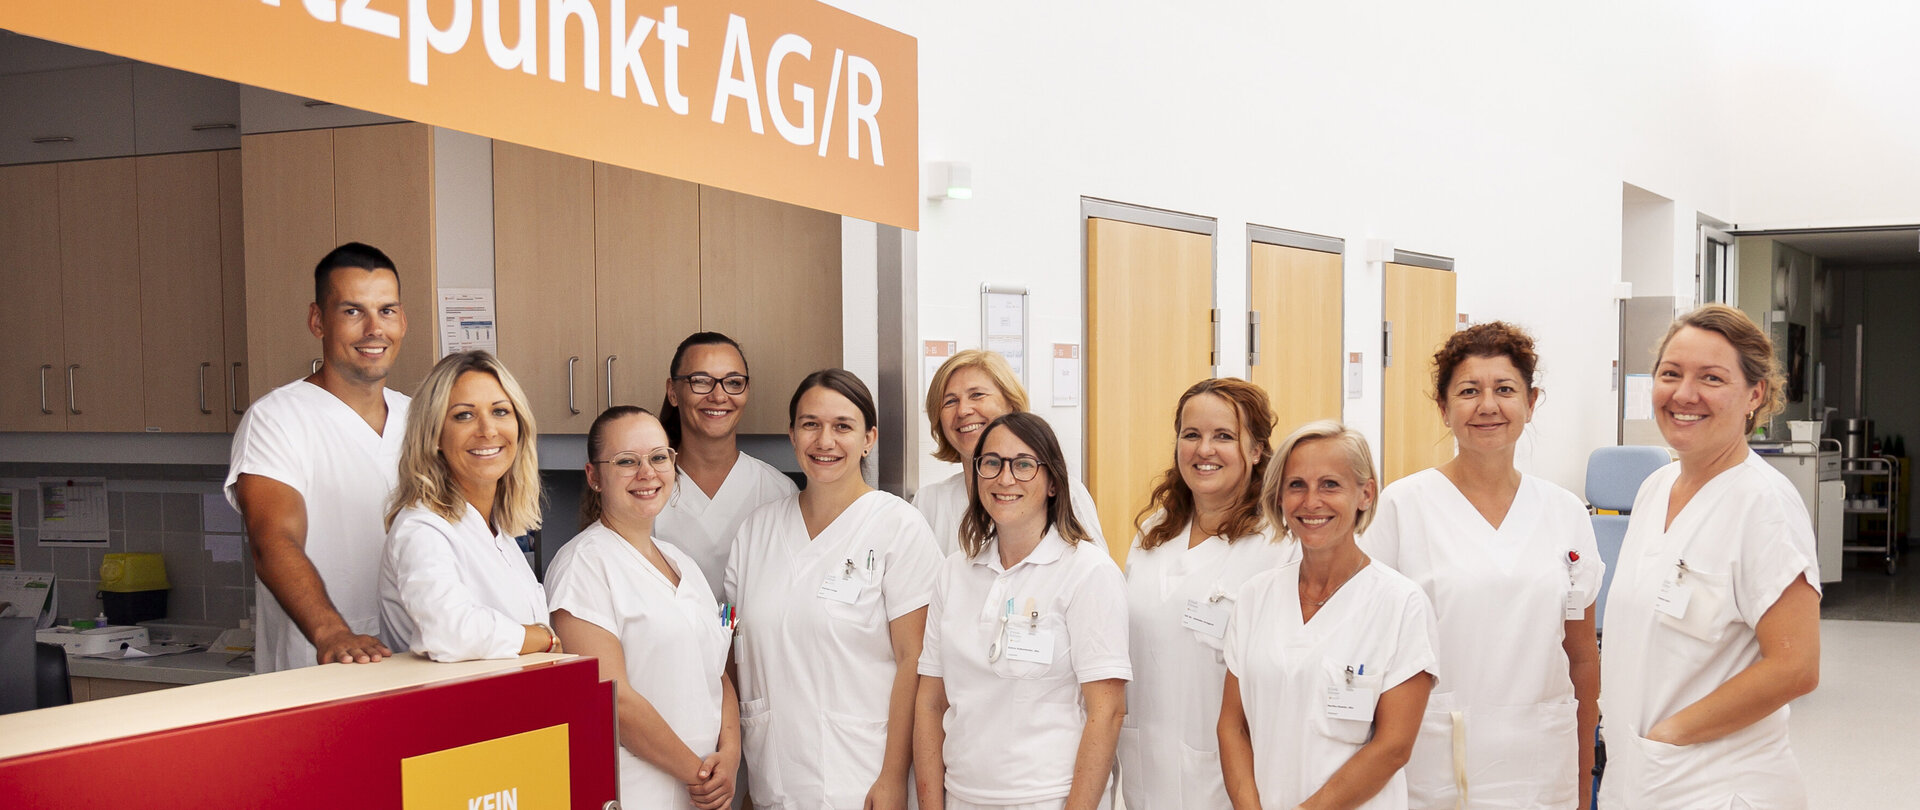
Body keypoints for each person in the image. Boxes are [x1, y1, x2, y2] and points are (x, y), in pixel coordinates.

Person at [1360, 322, 1602, 810]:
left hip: (1541, 762)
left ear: (1532, 403)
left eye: (1505, 390)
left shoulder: (1565, 511)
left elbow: (1581, 656)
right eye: (1469, 391)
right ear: (1443, 408)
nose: (1488, 406)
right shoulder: (1404, 506)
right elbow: (1370, 648)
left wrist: (1582, 781)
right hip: (1435, 758)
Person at [1597, 304, 1821, 808]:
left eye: (1712, 378)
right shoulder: (1656, 487)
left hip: (1716, 782)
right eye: (1670, 374)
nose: (1684, 394)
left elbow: (1796, 666)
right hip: (1641, 776)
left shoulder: (1763, 504)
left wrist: (1671, 734)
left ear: (1755, 394)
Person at [725, 369, 943, 810]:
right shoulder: (756, 531)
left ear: (869, 438)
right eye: (811, 424)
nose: (825, 441)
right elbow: (727, 648)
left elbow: (914, 662)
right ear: (792, 434)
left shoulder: (897, 526)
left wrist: (893, 778)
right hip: (775, 779)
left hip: (862, 782)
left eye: (843, 426)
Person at [914, 411, 1131, 810]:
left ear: (1053, 482)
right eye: (991, 463)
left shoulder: (1088, 572)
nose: (1005, 478)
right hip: (962, 795)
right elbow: (931, 702)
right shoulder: (954, 572)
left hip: (1049, 798)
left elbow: (1109, 711)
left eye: (1024, 464)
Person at [1220, 420, 1439, 810]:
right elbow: (1233, 726)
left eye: (1330, 484)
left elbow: (1393, 748)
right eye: (1296, 485)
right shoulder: (1256, 596)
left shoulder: (1400, 603)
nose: (1311, 502)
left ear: (1366, 494)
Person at [225, 242, 409, 672]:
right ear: (317, 320)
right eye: (352, 311)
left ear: (402, 319)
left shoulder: (419, 418)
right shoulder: (278, 419)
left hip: (413, 665)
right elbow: (272, 540)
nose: (373, 329)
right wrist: (331, 633)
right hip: (317, 673)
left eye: (386, 311)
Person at [546, 406, 740, 809]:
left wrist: (732, 754)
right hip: (637, 792)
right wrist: (699, 775)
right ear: (594, 476)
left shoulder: (683, 564)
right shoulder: (584, 564)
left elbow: (716, 672)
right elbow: (612, 697)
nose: (647, 472)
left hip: (702, 792)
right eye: (626, 462)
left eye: (657, 457)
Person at [1119, 378, 1295, 809]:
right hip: (1142, 767)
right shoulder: (1152, 532)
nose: (1203, 450)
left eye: (1224, 436)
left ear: (1256, 451)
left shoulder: (1278, 546)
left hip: (1228, 775)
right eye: (1191, 435)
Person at [379, 351, 554, 662]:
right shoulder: (422, 527)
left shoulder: (497, 530)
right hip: (445, 708)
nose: (487, 430)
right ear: (434, 435)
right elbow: (449, 632)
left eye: (500, 411)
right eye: (464, 415)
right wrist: (541, 637)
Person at [917, 350, 1103, 555]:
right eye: (950, 401)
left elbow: (1095, 575)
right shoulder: (929, 502)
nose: (963, 410)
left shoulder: (1064, 492)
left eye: (977, 395)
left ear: (1012, 405)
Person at [657, 332, 799, 599]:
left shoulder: (779, 491)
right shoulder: (648, 487)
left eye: (733, 382)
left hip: (752, 641)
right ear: (673, 393)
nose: (719, 396)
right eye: (701, 381)